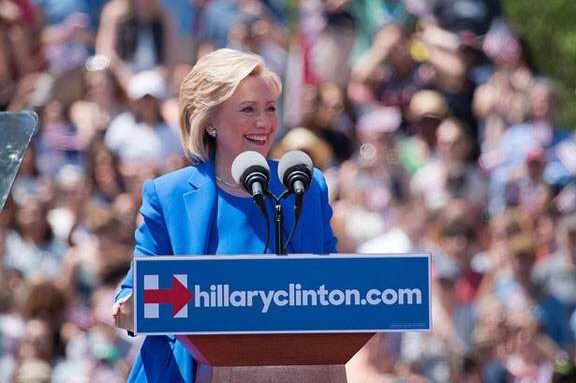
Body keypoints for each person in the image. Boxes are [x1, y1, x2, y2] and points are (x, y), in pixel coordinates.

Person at [112, 48, 338, 382]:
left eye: (270, 109)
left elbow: (335, 289)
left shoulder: (304, 186)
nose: (264, 122)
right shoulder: (168, 195)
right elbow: (131, 300)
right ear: (210, 121)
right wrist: (134, 306)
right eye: (248, 109)